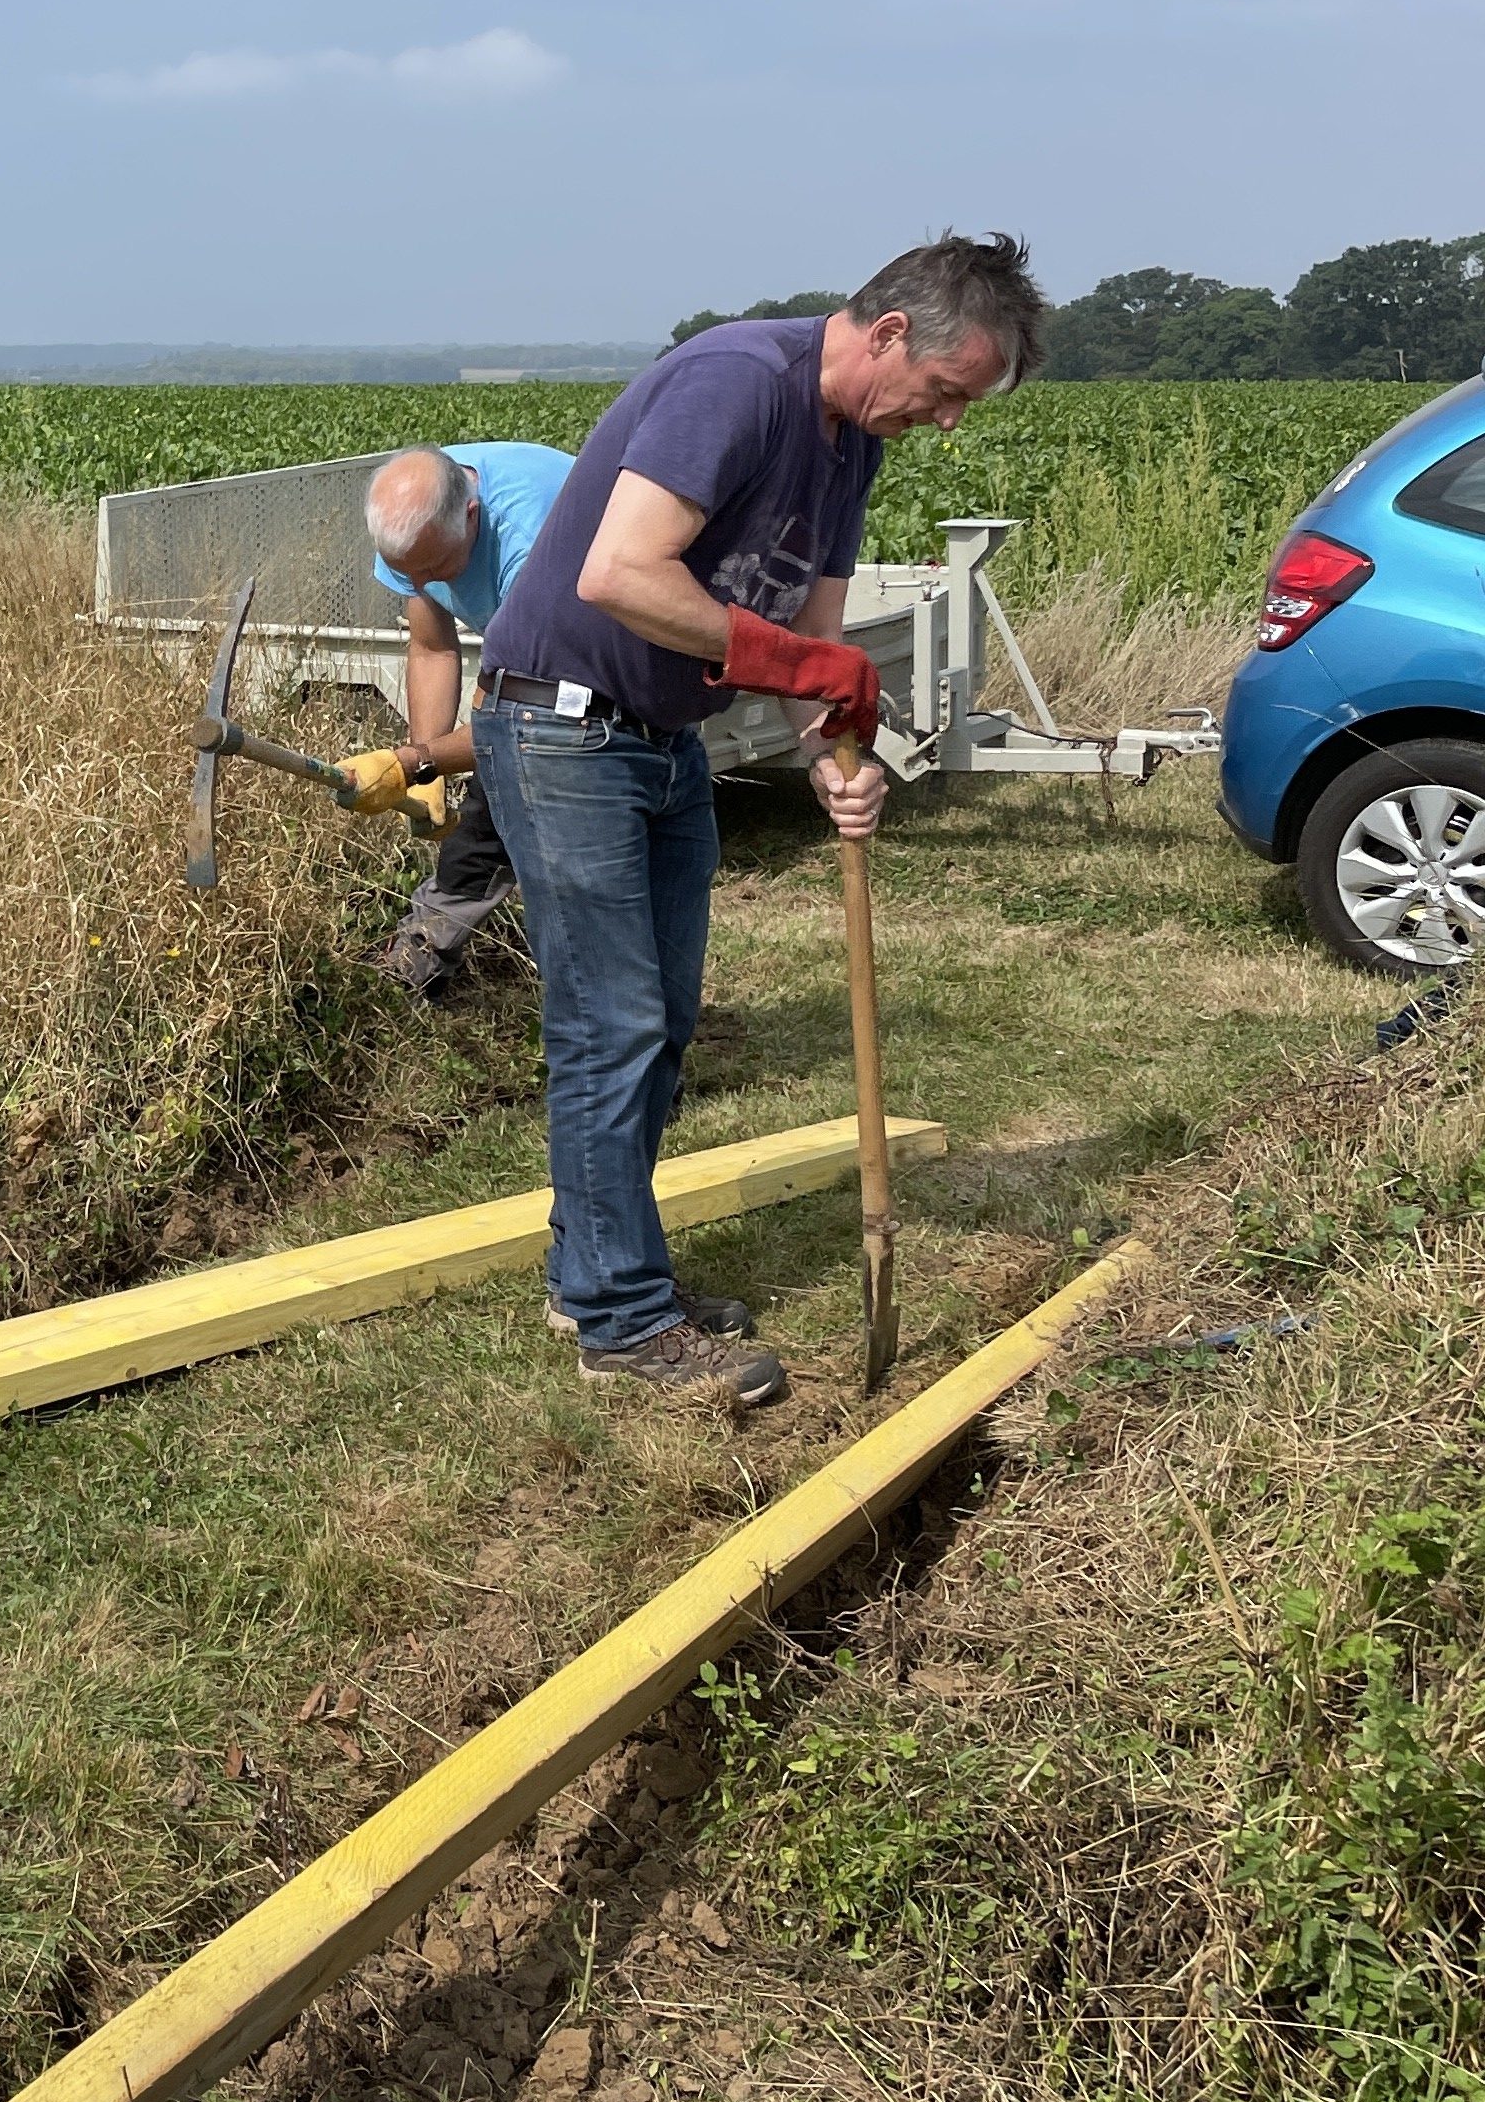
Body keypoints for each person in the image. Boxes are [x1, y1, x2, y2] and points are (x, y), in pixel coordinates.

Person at [471, 235, 1049, 1406]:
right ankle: (624, 1326)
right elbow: (621, 573)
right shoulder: (736, 380)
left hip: (663, 739)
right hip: (560, 726)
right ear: (890, 332)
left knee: (663, 1023)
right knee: (612, 1024)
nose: (943, 423)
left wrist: (837, 755)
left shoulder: (851, 451)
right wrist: (796, 662)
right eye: (944, 393)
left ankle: (592, 1275)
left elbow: (815, 657)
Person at [362, 440, 575, 999]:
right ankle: (419, 961)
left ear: (472, 516)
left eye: (434, 567)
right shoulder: (415, 522)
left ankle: (425, 958)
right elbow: (432, 647)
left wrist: (413, 762)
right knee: (496, 803)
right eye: (409, 573)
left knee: (509, 804)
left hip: (611, 669)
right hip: (531, 670)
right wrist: (431, 771)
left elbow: (520, 712)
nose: (425, 582)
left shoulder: (529, 544)